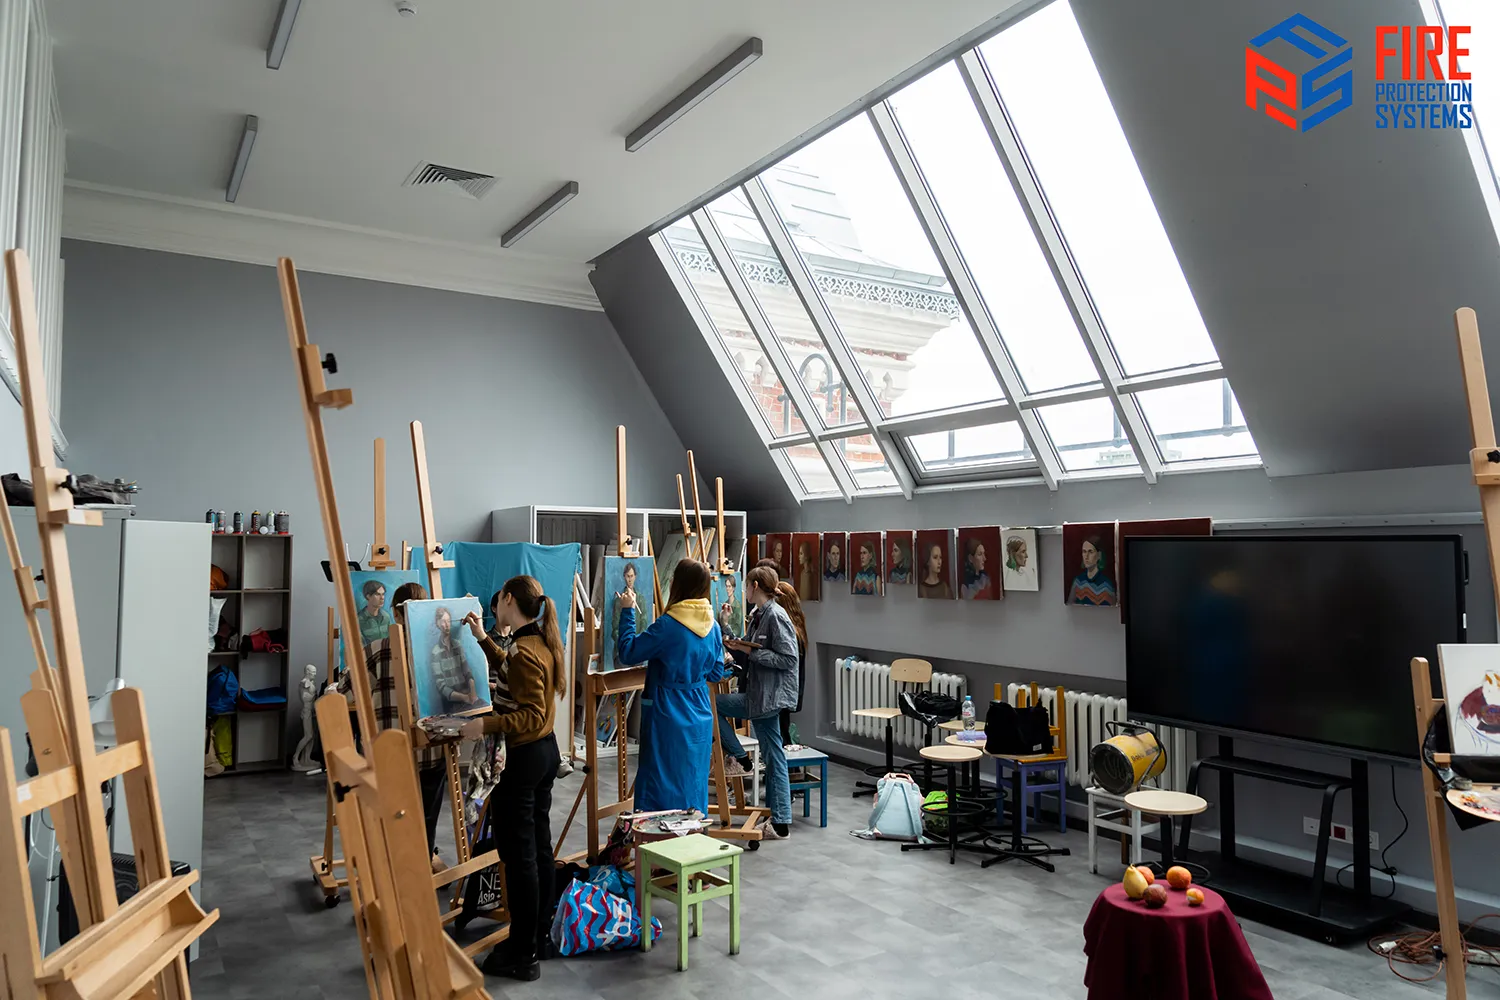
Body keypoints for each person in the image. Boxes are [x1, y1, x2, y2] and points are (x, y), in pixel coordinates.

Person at [458, 576, 565, 982]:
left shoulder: (525, 650)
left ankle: (523, 953)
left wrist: (483, 725)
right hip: (543, 754)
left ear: (507, 599)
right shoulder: (536, 641)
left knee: (521, 858)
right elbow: (511, 671)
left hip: (523, 760)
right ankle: (538, 938)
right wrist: (483, 638)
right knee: (538, 849)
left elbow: (530, 715)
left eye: (499, 600)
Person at [339, 582, 448, 871]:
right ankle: (421, 865)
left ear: (396, 614)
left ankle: (390, 872)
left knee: (390, 816)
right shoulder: (440, 651)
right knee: (426, 817)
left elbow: (345, 694)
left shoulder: (376, 650)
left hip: (389, 754)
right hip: (432, 750)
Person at [614, 558, 728, 814]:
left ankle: (659, 835)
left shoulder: (668, 625)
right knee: (693, 783)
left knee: (661, 784)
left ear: (677, 584)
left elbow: (628, 652)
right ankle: (692, 834)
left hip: (667, 712)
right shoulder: (713, 626)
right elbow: (717, 672)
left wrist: (627, 611)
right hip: (699, 712)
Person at [717, 566, 799, 840]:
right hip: (759, 696)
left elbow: (788, 659)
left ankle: (742, 759)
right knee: (774, 757)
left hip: (767, 698)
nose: (744, 590)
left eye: (746, 585)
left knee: (712, 706)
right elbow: (749, 648)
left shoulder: (776, 615)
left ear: (754, 586)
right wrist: (727, 629)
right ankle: (780, 820)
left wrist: (754, 654)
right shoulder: (759, 615)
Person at [430, 606, 479, 713]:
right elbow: (441, 686)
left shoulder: (457, 645)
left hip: (468, 697)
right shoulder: (435, 652)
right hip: (451, 703)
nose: (447, 625)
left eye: (448, 621)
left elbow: (467, 672)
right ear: (437, 624)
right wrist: (464, 698)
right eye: (443, 621)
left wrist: (473, 692)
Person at [775, 581, 807, 746]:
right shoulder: (798, 628)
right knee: (782, 730)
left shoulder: (789, 631)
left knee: (781, 734)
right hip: (789, 690)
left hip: (783, 691)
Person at [1070, 535, 1117, 606]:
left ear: (1099, 555)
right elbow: (1070, 605)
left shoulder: (1106, 585)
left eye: (1090, 552)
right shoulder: (1078, 581)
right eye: (1084, 552)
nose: (1086, 556)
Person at [357, 580, 392, 645]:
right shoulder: (359, 619)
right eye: (377, 594)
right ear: (368, 596)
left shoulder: (386, 617)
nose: (382, 598)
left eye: (383, 594)